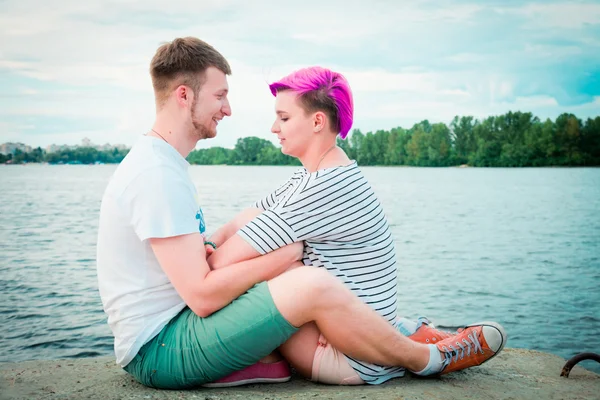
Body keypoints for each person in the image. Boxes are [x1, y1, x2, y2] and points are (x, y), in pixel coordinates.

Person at [96, 36, 506, 391]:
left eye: (282, 116)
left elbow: (242, 223)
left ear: (316, 121)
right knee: (305, 279)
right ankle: (426, 359)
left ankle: (401, 332)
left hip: (177, 327)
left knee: (297, 278)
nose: (229, 109)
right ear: (184, 95)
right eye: (220, 96)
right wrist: (283, 257)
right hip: (162, 345)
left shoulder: (166, 166)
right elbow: (203, 294)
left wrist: (210, 245)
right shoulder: (157, 174)